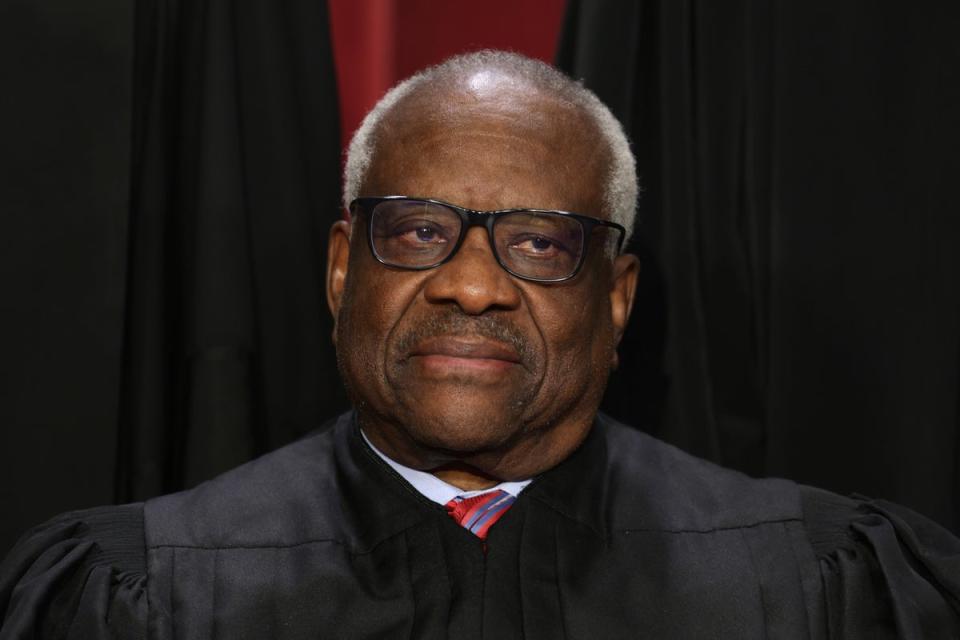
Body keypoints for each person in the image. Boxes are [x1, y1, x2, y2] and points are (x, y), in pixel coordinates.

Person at [1, 50, 958, 639]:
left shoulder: (814, 590)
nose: (471, 283)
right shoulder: (145, 597)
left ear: (617, 299)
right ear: (342, 272)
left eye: (541, 242)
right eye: (418, 231)